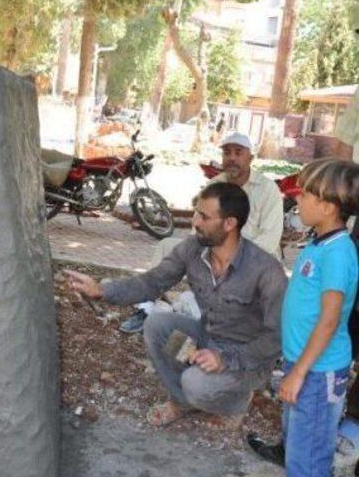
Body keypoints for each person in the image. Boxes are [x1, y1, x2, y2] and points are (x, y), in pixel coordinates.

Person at [66, 181, 287, 429]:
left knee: (195, 383)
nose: (195, 222)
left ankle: (236, 403)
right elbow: (152, 282)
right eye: (196, 213)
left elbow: (276, 339)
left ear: (229, 224)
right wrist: (102, 290)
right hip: (208, 338)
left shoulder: (266, 271)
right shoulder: (193, 249)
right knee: (157, 325)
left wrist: (225, 359)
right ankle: (182, 401)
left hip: (248, 361)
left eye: (204, 216)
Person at [241, 158, 359, 477]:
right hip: (302, 366)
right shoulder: (319, 242)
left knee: (309, 450)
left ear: (328, 205)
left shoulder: (340, 253)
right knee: (297, 441)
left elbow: (329, 321)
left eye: (306, 193)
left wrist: (300, 372)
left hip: (318, 371)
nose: (298, 198)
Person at [120, 130, 284, 333]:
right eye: (227, 153)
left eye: (238, 152)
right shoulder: (214, 185)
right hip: (216, 254)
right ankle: (146, 307)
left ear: (250, 157)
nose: (232, 158)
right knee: (166, 247)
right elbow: (198, 227)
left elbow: (270, 240)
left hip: (255, 263)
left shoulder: (268, 190)